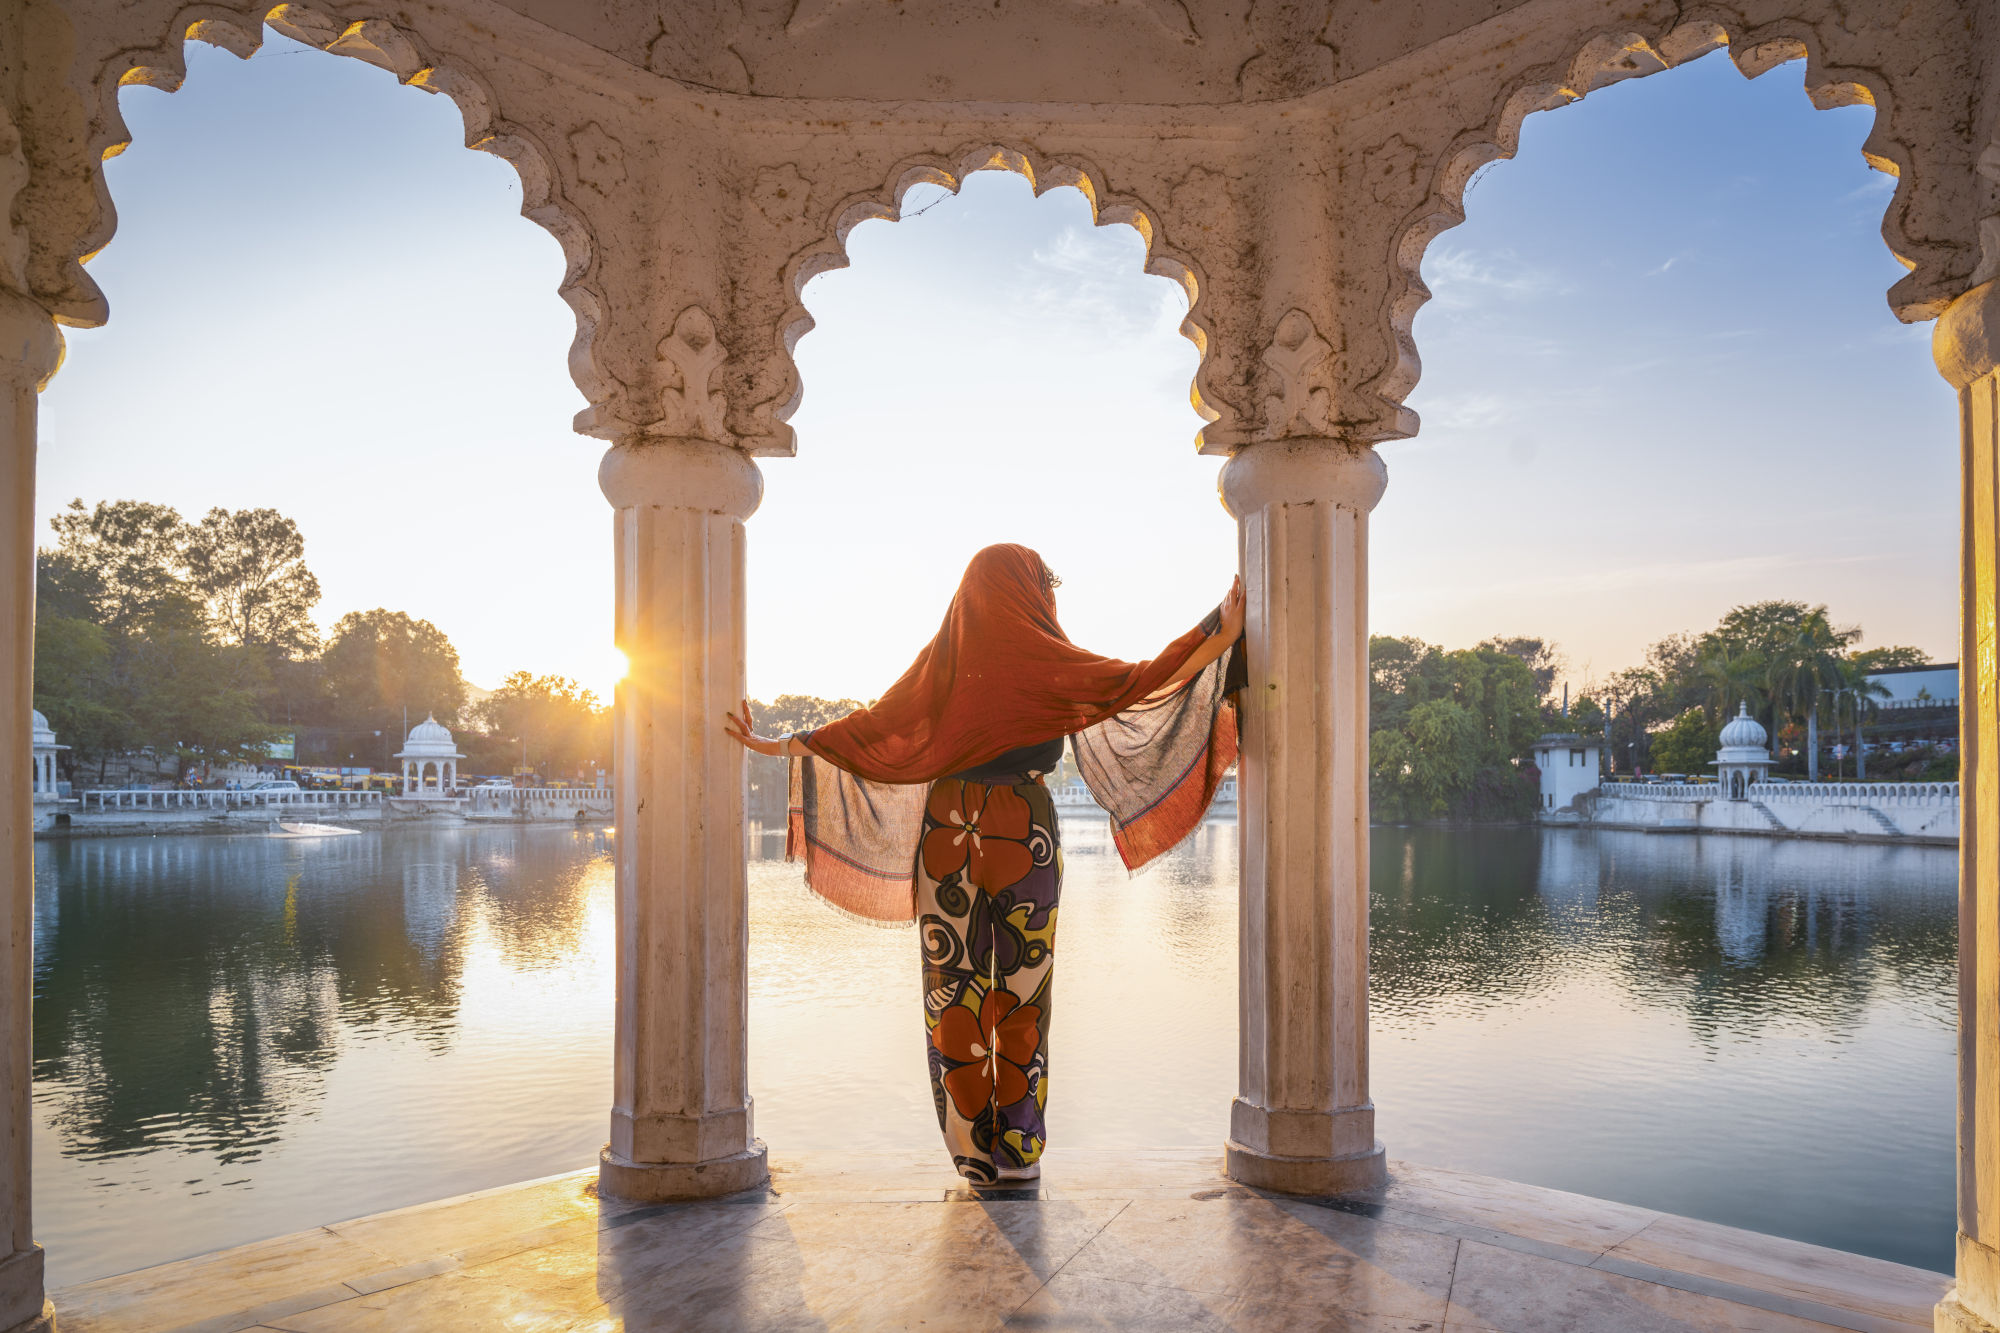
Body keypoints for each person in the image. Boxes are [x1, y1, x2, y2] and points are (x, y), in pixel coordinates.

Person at [725, 543, 1243, 1184]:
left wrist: (773, 743)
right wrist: (1220, 628)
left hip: (949, 832)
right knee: (1023, 994)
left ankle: (972, 1152)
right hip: (1026, 831)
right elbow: (1139, 680)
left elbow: (873, 729)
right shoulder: (1045, 658)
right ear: (1030, 593)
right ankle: (1018, 1151)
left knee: (954, 993)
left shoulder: (944, 665)